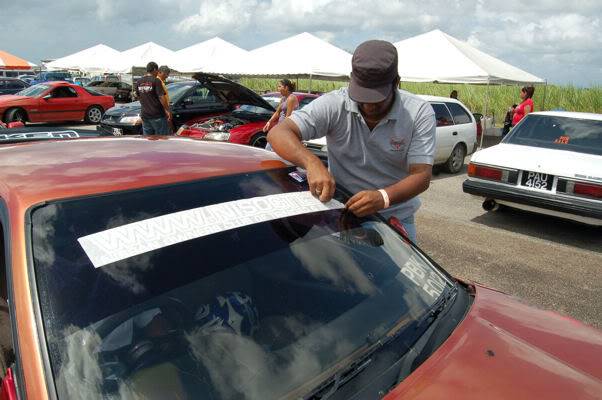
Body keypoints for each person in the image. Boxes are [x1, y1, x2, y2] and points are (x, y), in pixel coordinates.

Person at [267, 40, 436, 243]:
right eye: (362, 96)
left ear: (396, 82)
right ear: (351, 81)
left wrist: (382, 198)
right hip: (342, 215)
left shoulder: (418, 112)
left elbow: (421, 175)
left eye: (377, 99)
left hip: (395, 216)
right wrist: (312, 163)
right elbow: (279, 132)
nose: (368, 106)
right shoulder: (335, 103)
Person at [135, 62, 171, 135]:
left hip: (145, 115)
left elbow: (138, 96)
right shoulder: (156, 81)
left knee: (148, 140)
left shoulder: (139, 81)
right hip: (157, 115)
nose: (158, 72)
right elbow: (161, 97)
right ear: (154, 69)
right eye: (157, 70)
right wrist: (167, 110)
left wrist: (146, 105)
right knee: (161, 139)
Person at [157, 65, 172, 133]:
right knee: (162, 134)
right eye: (165, 74)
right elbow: (161, 98)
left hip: (162, 110)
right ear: (160, 72)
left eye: (168, 74)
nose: (167, 76)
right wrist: (167, 110)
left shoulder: (161, 82)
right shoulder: (158, 82)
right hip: (162, 111)